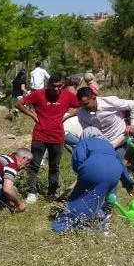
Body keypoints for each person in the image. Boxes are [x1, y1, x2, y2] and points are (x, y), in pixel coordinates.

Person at [52, 127, 134, 234]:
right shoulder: (108, 145)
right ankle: (100, 224)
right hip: (114, 173)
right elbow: (120, 164)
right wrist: (129, 185)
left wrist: (81, 172)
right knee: (98, 199)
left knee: (79, 198)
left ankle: (61, 227)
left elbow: (78, 160)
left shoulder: (84, 142)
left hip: (93, 170)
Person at [15, 73, 80, 203]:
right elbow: (19, 104)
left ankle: (51, 192)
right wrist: (33, 115)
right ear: (49, 84)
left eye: (59, 86)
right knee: (34, 165)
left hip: (57, 137)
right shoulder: (39, 94)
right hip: (40, 135)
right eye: (54, 86)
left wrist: (67, 116)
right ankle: (32, 192)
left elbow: (80, 105)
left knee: (54, 166)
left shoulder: (67, 95)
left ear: (63, 85)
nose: (56, 89)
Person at [76, 87, 134, 160]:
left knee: (120, 164)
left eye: (86, 104)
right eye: (81, 105)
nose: (84, 107)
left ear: (93, 97)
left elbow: (133, 104)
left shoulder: (109, 102)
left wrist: (133, 125)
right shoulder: (81, 115)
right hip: (105, 146)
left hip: (122, 138)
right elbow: (89, 132)